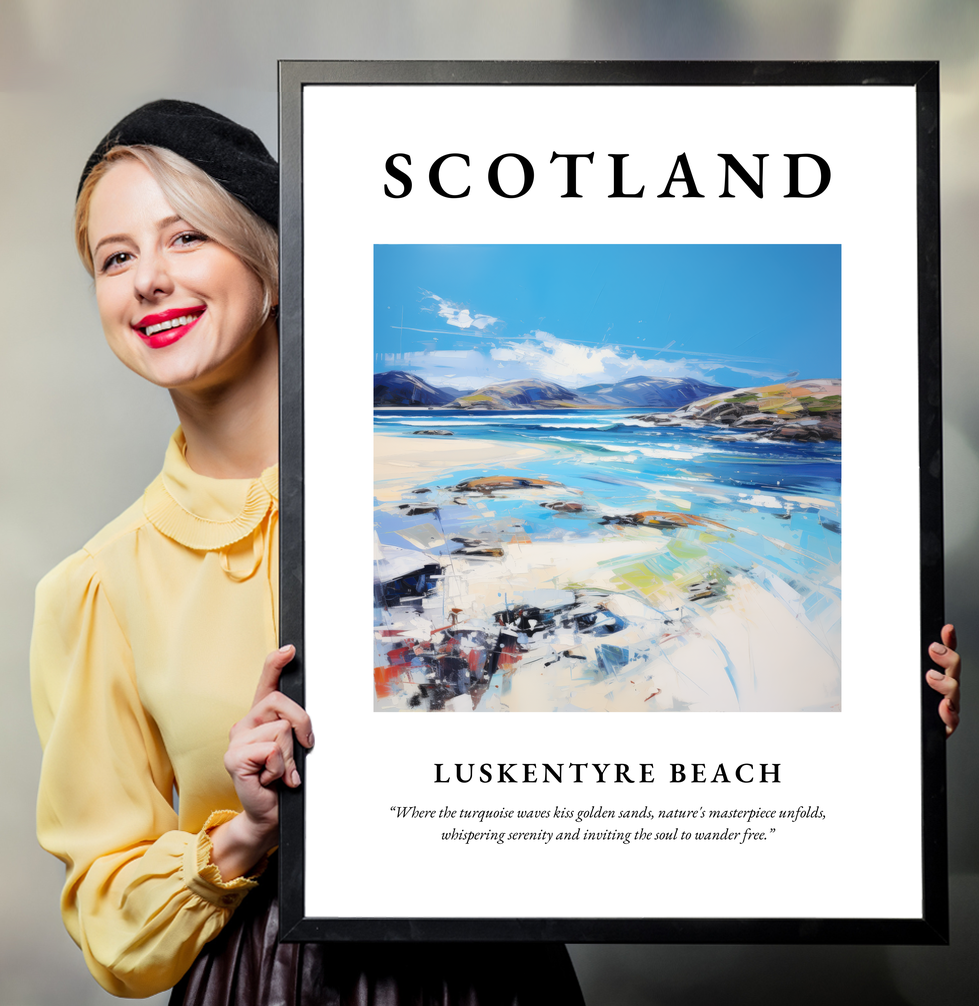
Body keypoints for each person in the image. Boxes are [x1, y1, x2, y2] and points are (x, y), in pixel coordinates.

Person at [30, 100, 586, 1004]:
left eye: (185, 238)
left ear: (273, 263)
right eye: (116, 257)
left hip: (493, 972)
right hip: (263, 982)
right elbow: (110, 923)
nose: (148, 281)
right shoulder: (97, 587)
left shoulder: (449, 500)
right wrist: (245, 832)